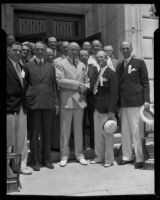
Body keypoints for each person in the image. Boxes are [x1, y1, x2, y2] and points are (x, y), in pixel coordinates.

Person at [24, 41, 59, 171]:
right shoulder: (27, 66)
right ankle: (35, 161)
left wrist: (56, 103)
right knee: (34, 135)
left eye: (41, 49)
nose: (39, 51)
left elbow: (54, 85)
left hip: (48, 103)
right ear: (34, 51)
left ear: (45, 51)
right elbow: (25, 85)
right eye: (37, 49)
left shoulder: (51, 66)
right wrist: (27, 100)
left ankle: (47, 160)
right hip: (34, 104)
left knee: (47, 133)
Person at [116, 41, 150, 169]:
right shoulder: (119, 66)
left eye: (127, 48)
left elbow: (145, 82)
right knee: (125, 132)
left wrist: (147, 100)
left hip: (136, 102)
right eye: (123, 48)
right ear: (120, 50)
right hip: (123, 103)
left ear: (131, 49)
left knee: (136, 132)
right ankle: (127, 157)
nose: (125, 50)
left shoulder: (139, 63)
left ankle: (140, 158)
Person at [55, 42, 88, 167]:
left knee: (79, 130)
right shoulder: (60, 64)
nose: (75, 52)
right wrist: (78, 85)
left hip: (80, 101)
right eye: (72, 49)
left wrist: (86, 87)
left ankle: (80, 155)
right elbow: (59, 80)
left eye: (76, 50)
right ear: (67, 50)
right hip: (67, 101)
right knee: (65, 131)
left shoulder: (82, 64)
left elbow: (87, 80)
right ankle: (64, 156)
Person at [7, 41, 32, 175]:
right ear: (8, 50)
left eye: (19, 50)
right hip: (9, 108)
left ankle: (21, 166)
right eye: (15, 50)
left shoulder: (21, 66)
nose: (18, 53)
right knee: (9, 141)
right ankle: (8, 169)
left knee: (21, 139)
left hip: (22, 107)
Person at [89, 51, 118, 167]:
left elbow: (114, 93)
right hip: (97, 108)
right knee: (98, 135)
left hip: (107, 110)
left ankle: (108, 160)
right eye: (98, 57)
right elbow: (93, 88)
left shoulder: (111, 73)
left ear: (107, 58)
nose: (100, 59)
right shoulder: (97, 73)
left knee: (108, 135)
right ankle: (99, 157)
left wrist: (111, 110)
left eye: (102, 57)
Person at [79, 49, 96, 149]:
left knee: (92, 120)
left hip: (92, 97)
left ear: (88, 56)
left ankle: (93, 144)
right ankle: (81, 145)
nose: (84, 57)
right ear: (79, 57)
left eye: (86, 55)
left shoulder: (93, 67)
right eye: (82, 55)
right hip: (80, 96)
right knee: (80, 121)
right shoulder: (76, 67)